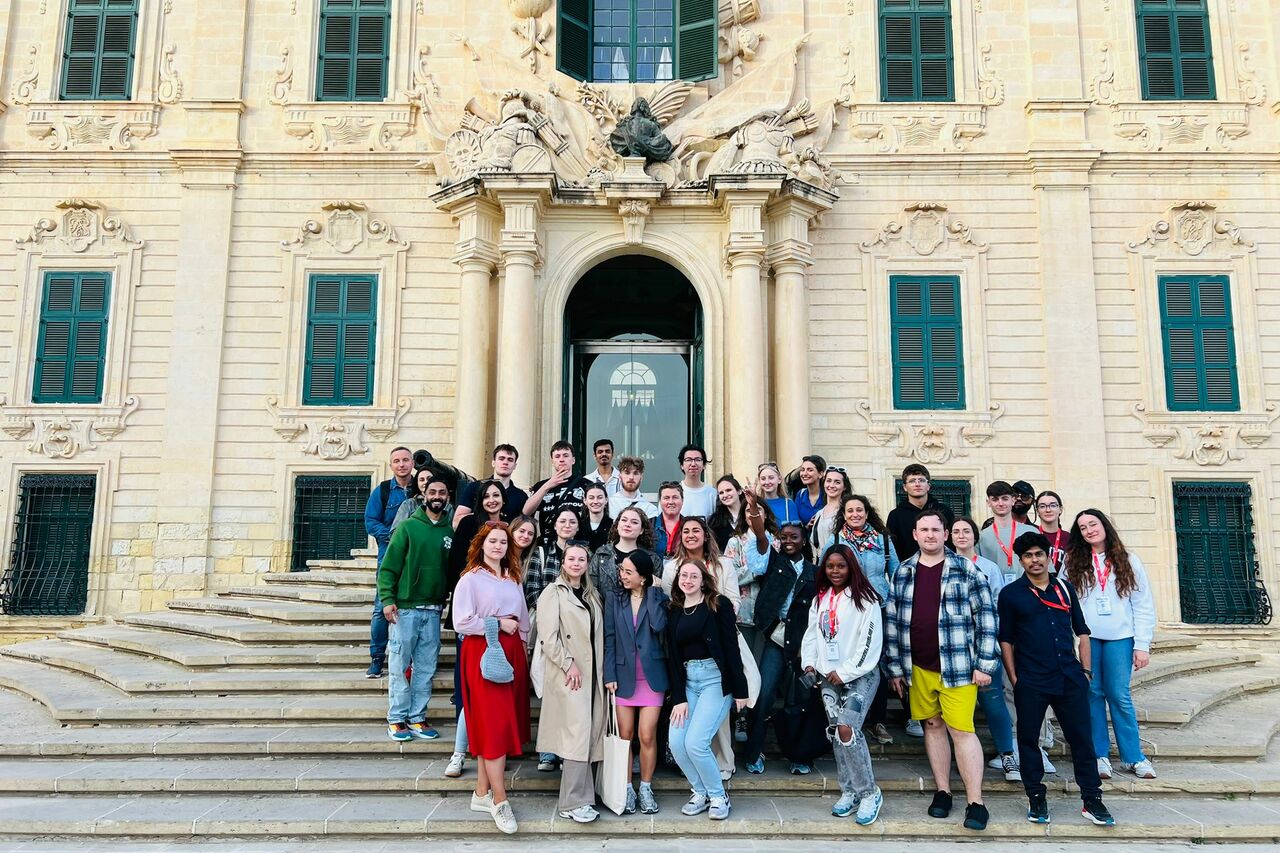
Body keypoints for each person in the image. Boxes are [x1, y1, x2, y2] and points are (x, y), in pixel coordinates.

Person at [885, 510, 999, 832]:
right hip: (918, 668)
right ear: (916, 535)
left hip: (959, 667)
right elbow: (893, 622)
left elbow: (987, 618)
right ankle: (943, 792)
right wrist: (895, 667)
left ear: (945, 534)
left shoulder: (966, 570)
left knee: (962, 731)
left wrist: (985, 664)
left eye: (936, 529)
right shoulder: (904, 572)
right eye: (925, 530)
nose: (931, 535)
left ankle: (976, 801)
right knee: (932, 727)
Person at [999, 532, 1115, 827]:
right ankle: (1036, 798)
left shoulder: (1064, 588)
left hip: (1069, 676)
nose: (1034, 560)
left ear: (1048, 555)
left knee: (1081, 741)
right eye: (1028, 556)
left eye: (1039, 554)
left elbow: (1082, 631)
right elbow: (1006, 640)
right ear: (1020, 560)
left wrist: (1085, 671)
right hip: (1031, 679)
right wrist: (1015, 678)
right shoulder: (1011, 594)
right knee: (1027, 741)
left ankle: (1092, 800)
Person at [1064, 509, 1158, 782]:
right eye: (1082, 527)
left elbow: (1142, 604)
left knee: (1119, 695)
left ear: (1104, 525)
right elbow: (1064, 600)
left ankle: (1134, 757)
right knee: (1092, 693)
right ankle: (1099, 756)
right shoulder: (1073, 561)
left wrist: (1142, 645)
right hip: (1087, 638)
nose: (1089, 530)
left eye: (1093, 524)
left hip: (1121, 637)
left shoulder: (1129, 561)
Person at [452, 521, 531, 835]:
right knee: (494, 724)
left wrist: (523, 645)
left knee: (493, 724)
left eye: (503, 541)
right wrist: (498, 623)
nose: (498, 546)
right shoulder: (470, 579)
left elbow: (522, 616)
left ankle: (481, 792)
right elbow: (462, 621)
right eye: (493, 541)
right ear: (482, 544)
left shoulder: (512, 577)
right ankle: (500, 800)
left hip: (512, 652)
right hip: (484, 652)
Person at [802, 544, 884, 824]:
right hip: (828, 676)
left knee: (849, 728)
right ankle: (848, 791)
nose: (835, 571)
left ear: (852, 567)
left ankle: (869, 792)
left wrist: (846, 671)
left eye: (841, 566)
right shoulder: (820, 599)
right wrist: (810, 663)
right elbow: (812, 634)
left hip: (859, 675)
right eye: (830, 566)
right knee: (837, 732)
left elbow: (870, 642)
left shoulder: (866, 598)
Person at [665, 560, 749, 821]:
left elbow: (731, 648)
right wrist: (678, 697)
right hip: (688, 681)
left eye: (693, 576)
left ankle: (718, 795)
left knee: (696, 742)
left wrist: (740, 689)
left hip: (715, 679)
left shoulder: (718, 604)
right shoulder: (675, 610)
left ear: (704, 580)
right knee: (677, 743)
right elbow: (672, 657)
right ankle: (700, 792)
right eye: (684, 575)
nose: (687, 580)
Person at [661, 515, 742, 780]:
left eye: (697, 530)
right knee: (693, 724)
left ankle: (724, 761)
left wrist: (716, 619)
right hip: (688, 647)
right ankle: (699, 767)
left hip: (720, 636)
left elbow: (732, 599)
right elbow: (671, 601)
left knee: (718, 712)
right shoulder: (673, 567)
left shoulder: (723, 565)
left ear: (706, 534)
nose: (691, 535)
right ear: (680, 536)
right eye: (686, 531)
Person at [534, 541, 606, 824]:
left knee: (588, 735)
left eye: (581, 559)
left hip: (592, 676)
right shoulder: (552, 593)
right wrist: (567, 664)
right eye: (571, 559)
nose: (576, 563)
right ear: (562, 562)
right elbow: (547, 637)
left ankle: (587, 796)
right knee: (576, 737)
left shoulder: (592, 594)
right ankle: (573, 802)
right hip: (570, 676)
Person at [820, 494, 899, 745]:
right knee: (847, 659)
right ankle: (848, 721)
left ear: (867, 513)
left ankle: (877, 721)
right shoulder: (835, 541)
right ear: (844, 514)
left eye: (859, 510)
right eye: (850, 510)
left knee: (875, 663)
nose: (855, 514)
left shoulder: (882, 540)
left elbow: (895, 572)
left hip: (879, 606)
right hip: (845, 610)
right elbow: (824, 573)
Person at [379, 477, 452, 743]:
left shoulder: (448, 533)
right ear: (424, 495)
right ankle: (397, 719)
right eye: (432, 491)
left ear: (447, 497)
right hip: (405, 610)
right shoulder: (408, 528)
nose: (437, 496)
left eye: (442, 492)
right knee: (399, 665)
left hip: (432, 611)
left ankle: (417, 717)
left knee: (426, 668)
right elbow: (388, 567)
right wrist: (387, 599)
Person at [743, 521, 816, 775]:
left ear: (803, 541)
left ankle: (799, 756)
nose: (788, 541)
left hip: (801, 644)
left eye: (794, 537)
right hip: (774, 638)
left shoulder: (813, 572)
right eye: (784, 537)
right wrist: (753, 511)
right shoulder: (773, 562)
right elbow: (761, 537)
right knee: (763, 697)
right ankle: (753, 753)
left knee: (799, 700)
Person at [949, 517, 1018, 782]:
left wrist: (994, 645)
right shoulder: (945, 565)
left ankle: (1007, 754)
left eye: (966, 531)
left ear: (975, 536)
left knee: (993, 702)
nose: (961, 535)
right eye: (956, 531)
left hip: (984, 645)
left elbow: (998, 606)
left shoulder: (989, 568)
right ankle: (963, 756)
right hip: (954, 648)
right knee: (957, 707)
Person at [604, 550, 669, 815]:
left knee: (646, 735)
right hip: (623, 677)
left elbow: (658, 625)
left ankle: (645, 787)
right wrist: (609, 674)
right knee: (625, 736)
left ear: (644, 577)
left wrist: (653, 592)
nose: (622, 576)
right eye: (622, 570)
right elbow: (609, 638)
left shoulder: (658, 598)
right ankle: (626, 788)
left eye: (629, 572)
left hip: (652, 678)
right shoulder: (613, 598)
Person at [364, 446, 415, 678]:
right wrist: (393, 537)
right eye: (397, 461)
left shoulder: (421, 488)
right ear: (391, 464)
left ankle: (412, 658)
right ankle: (376, 658)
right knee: (381, 606)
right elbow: (370, 521)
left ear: (412, 463)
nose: (401, 464)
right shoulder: (383, 491)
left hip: (416, 557)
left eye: (405, 460)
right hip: (389, 555)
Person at [523, 441, 592, 548]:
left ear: (573, 460)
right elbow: (526, 512)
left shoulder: (586, 484)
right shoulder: (541, 485)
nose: (561, 459)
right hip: (549, 543)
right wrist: (547, 486)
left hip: (579, 542)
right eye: (557, 456)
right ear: (552, 461)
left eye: (565, 455)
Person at [886, 464, 956, 562]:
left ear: (928, 486)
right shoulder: (895, 516)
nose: (917, 484)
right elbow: (893, 549)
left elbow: (953, 542)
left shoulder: (944, 511)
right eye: (912, 481)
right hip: (909, 570)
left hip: (944, 567)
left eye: (921, 480)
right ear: (905, 487)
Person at [590, 506, 661, 599]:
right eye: (624, 520)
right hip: (605, 610)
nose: (627, 524)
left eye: (634, 522)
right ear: (617, 525)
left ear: (642, 530)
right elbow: (592, 589)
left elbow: (655, 593)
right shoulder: (601, 554)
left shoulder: (652, 558)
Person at [524, 507, 582, 612]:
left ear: (578, 527)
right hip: (547, 619)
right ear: (555, 525)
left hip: (575, 618)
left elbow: (588, 590)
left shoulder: (585, 555)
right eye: (562, 521)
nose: (567, 525)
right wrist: (558, 611)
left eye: (572, 522)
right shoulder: (541, 553)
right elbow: (532, 594)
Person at [978, 481, 1037, 581]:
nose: (1000, 503)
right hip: (994, 593)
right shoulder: (980, 537)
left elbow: (1044, 569)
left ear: (1013, 500)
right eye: (995, 499)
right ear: (988, 502)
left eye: (1005, 499)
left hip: (1027, 591)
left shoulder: (1031, 532)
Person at [449, 480, 506, 583]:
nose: (491, 500)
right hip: (469, 583)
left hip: (498, 583)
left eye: (496, 495)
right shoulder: (468, 523)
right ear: (481, 501)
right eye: (486, 497)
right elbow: (456, 559)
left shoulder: (507, 526)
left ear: (503, 499)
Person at [455, 444, 529, 524]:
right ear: (493, 463)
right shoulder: (475, 487)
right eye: (501, 459)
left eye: (510, 460)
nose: (505, 462)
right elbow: (456, 521)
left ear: (515, 466)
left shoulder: (521, 496)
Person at [808, 466, 852, 555]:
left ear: (844, 487)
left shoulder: (847, 512)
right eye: (828, 481)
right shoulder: (819, 514)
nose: (831, 485)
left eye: (837, 482)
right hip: (819, 565)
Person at [676, 444, 716, 518]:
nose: (693, 464)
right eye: (688, 460)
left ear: (704, 465)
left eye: (698, 460)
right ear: (681, 465)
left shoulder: (712, 494)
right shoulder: (673, 493)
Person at [708, 475, 746, 552]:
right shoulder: (715, 521)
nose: (725, 495)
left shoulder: (750, 514)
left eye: (728, 490)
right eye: (721, 493)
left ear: (739, 491)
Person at [391, 467, 434, 532]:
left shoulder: (446, 506)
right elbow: (396, 532)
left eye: (429, 478)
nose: (426, 482)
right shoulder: (408, 504)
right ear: (417, 484)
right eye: (422, 480)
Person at [1035, 491, 1067, 574]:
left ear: (1060, 509)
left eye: (1053, 505)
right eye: (1042, 506)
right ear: (1037, 511)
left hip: (1063, 584)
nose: (1048, 510)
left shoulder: (1070, 538)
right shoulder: (1031, 534)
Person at [790, 455, 827, 527]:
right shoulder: (800, 494)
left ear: (820, 474)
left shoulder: (828, 495)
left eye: (810, 470)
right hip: (805, 537)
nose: (804, 474)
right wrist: (806, 527)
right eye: (802, 470)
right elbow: (797, 523)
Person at [654, 482, 684, 558]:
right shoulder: (649, 525)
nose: (671, 502)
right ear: (660, 501)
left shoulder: (690, 526)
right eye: (666, 498)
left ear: (682, 500)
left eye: (675, 497)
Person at [582, 482, 613, 551]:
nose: (595, 501)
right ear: (585, 500)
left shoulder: (614, 526)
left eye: (600, 497)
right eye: (591, 498)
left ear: (606, 500)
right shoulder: (579, 526)